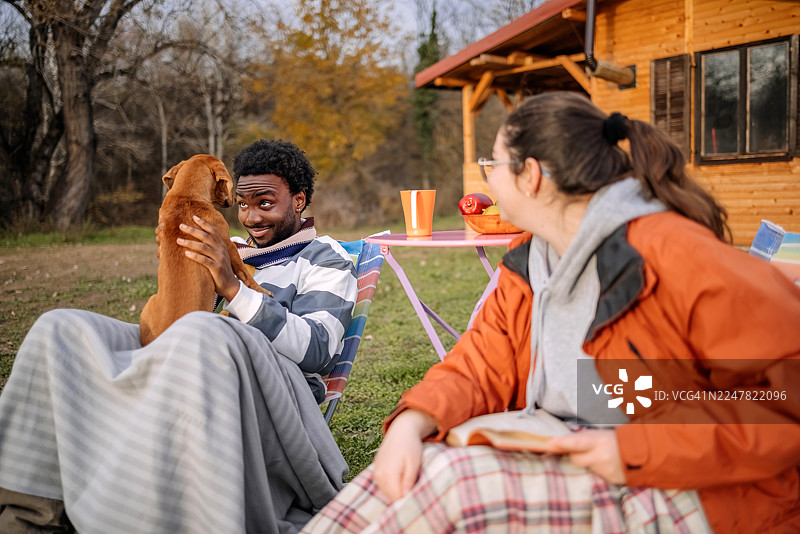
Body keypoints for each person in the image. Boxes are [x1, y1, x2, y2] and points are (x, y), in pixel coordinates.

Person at [302, 92, 800, 533]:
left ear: (532, 175)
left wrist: (630, 452)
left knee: (451, 486)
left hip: (704, 492)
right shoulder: (531, 260)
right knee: (389, 483)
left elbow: (784, 400)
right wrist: (412, 424)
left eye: (491, 164)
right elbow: (479, 365)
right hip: (577, 448)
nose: (486, 177)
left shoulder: (677, 255)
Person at [0, 139, 358, 533]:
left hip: (271, 390)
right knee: (61, 329)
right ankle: (29, 516)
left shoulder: (325, 258)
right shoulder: (222, 241)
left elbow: (318, 349)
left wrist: (233, 288)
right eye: (242, 204)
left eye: (265, 203)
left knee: (202, 330)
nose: (251, 218)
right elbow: (176, 311)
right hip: (187, 356)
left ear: (299, 200)